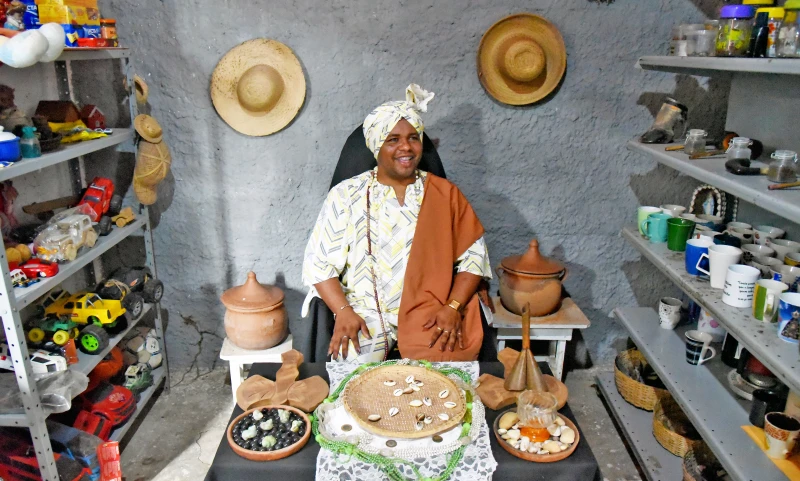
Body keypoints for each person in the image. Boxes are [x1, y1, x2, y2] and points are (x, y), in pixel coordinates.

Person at [302, 84, 492, 363]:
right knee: (355, 385)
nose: (406, 147)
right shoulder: (345, 195)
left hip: (430, 312)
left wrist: (452, 307)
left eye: (413, 138)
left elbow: (474, 258)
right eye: (393, 140)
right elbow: (319, 264)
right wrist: (343, 311)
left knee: (440, 389)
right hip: (364, 313)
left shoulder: (445, 194)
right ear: (377, 145)